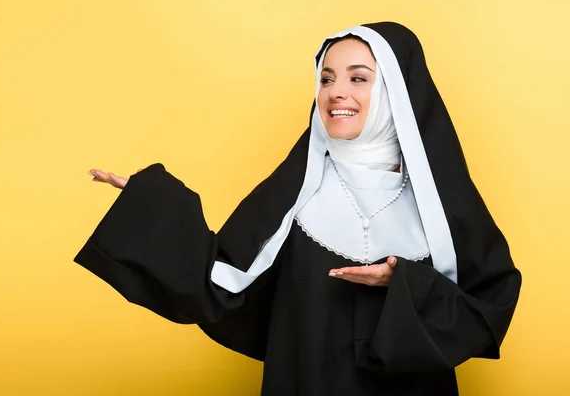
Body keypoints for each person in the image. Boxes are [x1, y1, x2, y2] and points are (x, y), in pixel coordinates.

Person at [76, 22, 521, 395]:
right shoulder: (295, 191)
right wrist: (147, 202)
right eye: (326, 79)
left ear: (396, 93)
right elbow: (222, 280)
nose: (335, 93)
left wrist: (405, 283)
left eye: (358, 78)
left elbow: (489, 307)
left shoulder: (439, 204)